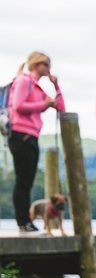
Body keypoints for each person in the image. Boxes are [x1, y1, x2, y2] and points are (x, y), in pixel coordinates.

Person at [7, 51, 64, 235]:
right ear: (35, 65)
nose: (48, 69)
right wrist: (43, 105)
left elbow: (61, 108)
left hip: (31, 136)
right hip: (21, 134)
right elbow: (18, 106)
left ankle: (27, 223)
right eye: (46, 64)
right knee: (23, 181)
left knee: (27, 181)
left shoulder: (38, 88)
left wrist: (56, 86)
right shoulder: (24, 81)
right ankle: (23, 223)